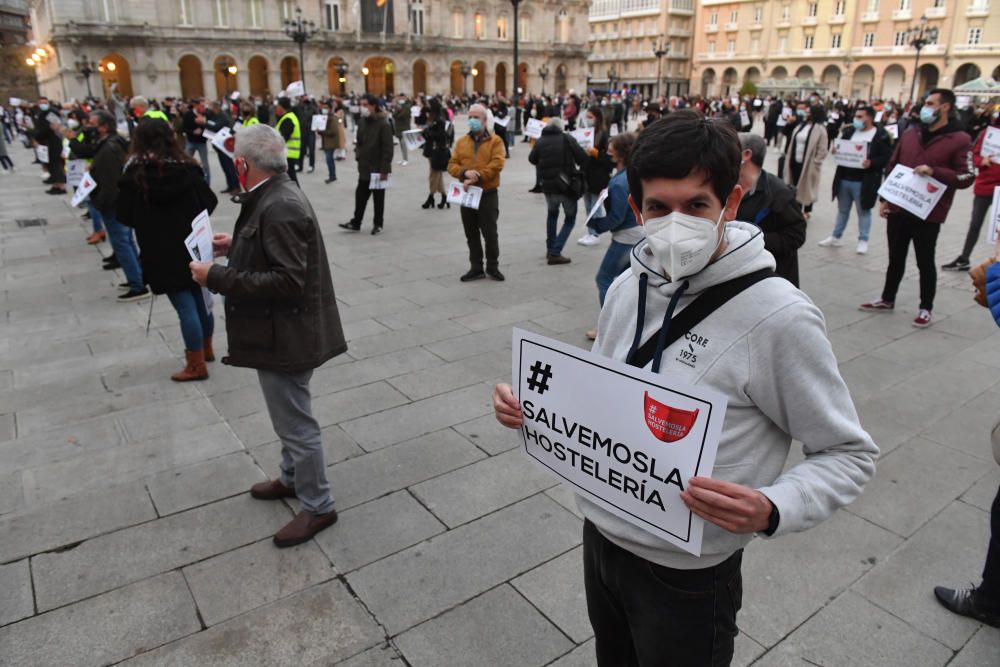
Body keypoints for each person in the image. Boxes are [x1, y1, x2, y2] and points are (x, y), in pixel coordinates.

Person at [492, 110, 878, 667]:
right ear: (636, 209)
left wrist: (774, 506)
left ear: (732, 203)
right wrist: (540, 408)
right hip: (602, 537)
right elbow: (610, 388)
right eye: (658, 208)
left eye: (696, 205)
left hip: (688, 571)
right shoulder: (629, 284)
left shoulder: (780, 317)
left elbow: (848, 453)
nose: (675, 224)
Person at [189, 124, 347, 548]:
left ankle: (319, 505)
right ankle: (293, 478)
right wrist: (232, 248)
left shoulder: (281, 205)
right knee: (287, 415)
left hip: (288, 335)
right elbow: (270, 253)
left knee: (296, 422)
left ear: (242, 164)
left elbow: (287, 280)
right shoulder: (272, 195)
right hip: (281, 331)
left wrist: (216, 276)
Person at [860, 88, 975, 328]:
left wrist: (936, 172)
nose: (926, 107)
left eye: (931, 103)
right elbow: (893, 166)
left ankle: (926, 307)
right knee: (895, 257)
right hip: (900, 207)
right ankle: (887, 298)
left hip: (929, 212)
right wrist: (885, 199)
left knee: (925, 260)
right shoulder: (911, 133)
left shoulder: (960, 139)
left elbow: (967, 176)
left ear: (945, 107)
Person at [117, 119, 218, 380]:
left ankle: (196, 364)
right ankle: (205, 348)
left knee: (184, 304)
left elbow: (124, 215)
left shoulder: (134, 174)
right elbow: (209, 201)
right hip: (190, 243)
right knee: (199, 298)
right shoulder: (187, 168)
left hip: (158, 248)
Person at [584, 131, 643, 340]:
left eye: (612, 147)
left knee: (604, 278)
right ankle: (628, 323)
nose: (608, 150)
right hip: (639, 235)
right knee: (629, 282)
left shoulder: (619, 182)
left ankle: (608, 326)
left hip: (626, 238)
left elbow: (617, 217)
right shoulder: (634, 173)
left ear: (620, 153)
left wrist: (596, 226)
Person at [90, 109, 149, 301]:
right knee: (127, 241)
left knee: (122, 242)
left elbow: (110, 182)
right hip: (117, 201)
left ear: (104, 127)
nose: (89, 127)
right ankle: (137, 276)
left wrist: (100, 203)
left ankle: (137, 285)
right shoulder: (112, 143)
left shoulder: (109, 148)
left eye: (93, 124)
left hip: (113, 204)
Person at [819, 105, 892, 254]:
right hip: (844, 178)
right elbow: (842, 147)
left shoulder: (880, 135)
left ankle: (863, 240)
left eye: (860, 116)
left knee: (863, 211)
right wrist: (836, 150)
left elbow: (886, 158)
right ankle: (836, 236)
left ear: (869, 118)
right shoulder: (849, 131)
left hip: (864, 182)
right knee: (842, 210)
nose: (856, 119)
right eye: (856, 116)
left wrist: (872, 163)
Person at [736, 132, 807, 286]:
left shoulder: (778, 193)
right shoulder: (724, 185)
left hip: (769, 278)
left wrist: (754, 240)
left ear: (746, 155)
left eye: (731, 149)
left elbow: (796, 235)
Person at [447, 103, 506, 282]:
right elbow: (452, 164)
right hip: (467, 194)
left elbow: (497, 163)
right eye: (470, 117)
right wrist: (464, 173)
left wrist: (478, 175)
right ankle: (476, 267)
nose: (472, 121)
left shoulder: (495, 141)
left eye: (476, 117)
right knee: (471, 232)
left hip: (487, 193)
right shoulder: (462, 142)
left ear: (485, 120)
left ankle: (493, 266)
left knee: (490, 233)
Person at [941, 111, 1000, 272]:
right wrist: (982, 160)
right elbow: (973, 155)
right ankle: (964, 258)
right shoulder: (987, 133)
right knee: (975, 224)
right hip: (985, 186)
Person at [529, 117, 587, 265]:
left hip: (548, 186)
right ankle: (556, 252)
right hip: (566, 186)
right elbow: (582, 158)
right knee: (570, 219)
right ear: (561, 127)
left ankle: (550, 248)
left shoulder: (541, 140)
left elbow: (532, 158)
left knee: (552, 215)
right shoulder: (567, 138)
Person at [340, 94, 393, 235]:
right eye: (361, 105)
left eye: (365, 105)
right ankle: (356, 222)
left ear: (373, 106)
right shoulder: (363, 122)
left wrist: (384, 170)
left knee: (378, 198)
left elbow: (388, 149)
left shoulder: (384, 124)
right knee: (360, 196)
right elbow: (359, 140)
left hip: (377, 168)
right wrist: (358, 153)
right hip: (364, 167)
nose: (362, 108)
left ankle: (378, 223)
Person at [782, 103, 827, 219]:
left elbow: (822, 149)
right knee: (794, 183)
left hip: (809, 164)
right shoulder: (800, 125)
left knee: (807, 186)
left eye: (809, 112)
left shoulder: (820, 129)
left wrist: (816, 161)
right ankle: (795, 209)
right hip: (795, 160)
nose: (806, 114)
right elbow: (786, 133)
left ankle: (806, 211)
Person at [578, 106, 614, 247]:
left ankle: (595, 233)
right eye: (587, 116)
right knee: (587, 205)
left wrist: (595, 152)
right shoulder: (586, 132)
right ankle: (590, 231)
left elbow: (608, 159)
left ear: (597, 118)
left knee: (595, 206)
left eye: (591, 117)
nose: (588, 119)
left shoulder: (603, 135)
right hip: (586, 173)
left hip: (599, 176)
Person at [420, 98, 454, 210]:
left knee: (433, 174)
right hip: (432, 149)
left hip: (437, 150)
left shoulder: (440, 118)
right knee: (437, 175)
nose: (428, 106)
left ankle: (431, 197)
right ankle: (444, 196)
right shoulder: (433, 115)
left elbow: (441, 135)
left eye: (429, 105)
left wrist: (427, 132)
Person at [182, 98, 211, 186]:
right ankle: (185, 181)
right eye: (201, 106)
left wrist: (203, 127)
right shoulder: (188, 115)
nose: (203, 108)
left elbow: (210, 127)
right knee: (186, 161)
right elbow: (184, 128)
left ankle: (207, 183)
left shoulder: (206, 114)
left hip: (202, 142)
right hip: (191, 141)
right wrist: (192, 131)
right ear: (196, 106)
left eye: (204, 106)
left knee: (205, 163)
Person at [274, 97, 301, 185]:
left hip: (287, 153)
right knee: (290, 179)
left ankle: (297, 196)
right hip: (286, 154)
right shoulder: (286, 117)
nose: (276, 109)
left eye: (277, 106)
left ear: (282, 107)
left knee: (291, 180)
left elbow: (283, 137)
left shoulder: (288, 119)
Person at [318, 99, 346, 184]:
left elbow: (333, 131)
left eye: (326, 108)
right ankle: (332, 175)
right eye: (323, 107)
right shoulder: (325, 117)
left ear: (330, 108)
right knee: (329, 159)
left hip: (331, 143)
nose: (324, 109)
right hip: (327, 142)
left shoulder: (333, 118)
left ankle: (332, 176)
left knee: (329, 159)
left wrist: (321, 131)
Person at [392, 93, 413, 166]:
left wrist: (397, 111)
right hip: (399, 127)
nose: (400, 99)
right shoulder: (399, 106)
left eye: (402, 98)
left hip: (405, 127)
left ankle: (406, 159)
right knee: (401, 144)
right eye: (399, 98)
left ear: (405, 97)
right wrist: (397, 109)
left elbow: (400, 115)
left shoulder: (407, 106)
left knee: (403, 143)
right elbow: (394, 115)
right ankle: (403, 159)